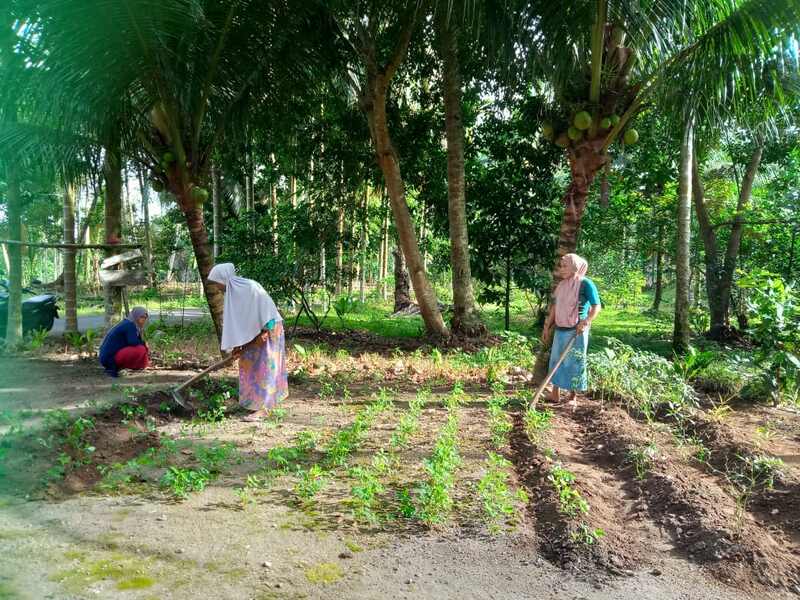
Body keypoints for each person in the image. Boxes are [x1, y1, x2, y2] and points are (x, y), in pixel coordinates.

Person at [207, 263, 288, 421]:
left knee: (266, 369)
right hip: (256, 334)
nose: (217, 287)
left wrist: (266, 332)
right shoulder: (233, 294)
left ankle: (266, 409)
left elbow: (268, 310)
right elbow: (240, 322)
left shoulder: (250, 287)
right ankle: (253, 404)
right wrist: (238, 345)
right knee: (248, 364)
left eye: (217, 282)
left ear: (225, 279)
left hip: (269, 329)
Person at [541, 253, 602, 407]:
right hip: (560, 328)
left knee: (574, 362)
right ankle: (555, 394)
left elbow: (597, 306)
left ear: (575, 266)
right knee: (556, 360)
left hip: (577, 330)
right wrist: (547, 326)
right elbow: (555, 307)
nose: (561, 269)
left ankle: (572, 397)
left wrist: (587, 321)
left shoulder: (586, 284)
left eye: (565, 266)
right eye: (561, 266)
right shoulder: (562, 285)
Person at [99, 306, 150, 377]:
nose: (143, 320)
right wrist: (144, 343)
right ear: (136, 316)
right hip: (110, 358)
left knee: (142, 347)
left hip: (108, 357)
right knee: (140, 349)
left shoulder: (130, 323)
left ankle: (136, 366)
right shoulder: (129, 325)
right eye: (141, 317)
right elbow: (133, 342)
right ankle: (125, 366)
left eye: (145, 317)